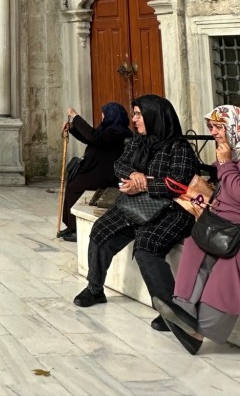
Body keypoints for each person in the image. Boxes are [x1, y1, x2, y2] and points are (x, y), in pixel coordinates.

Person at [73, 94, 202, 326]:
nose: (134, 119)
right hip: (138, 204)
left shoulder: (179, 147)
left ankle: (170, 310)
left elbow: (179, 183)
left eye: (139, 115)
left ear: (155, 116)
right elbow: (119, 164)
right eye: (134, 114)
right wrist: (133, 174)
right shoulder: (138, 142)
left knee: (146, 246)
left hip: (172, 209)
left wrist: (144, 184)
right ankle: (94, 289)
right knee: (101, 230)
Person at [154, 104, 240, 355]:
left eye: (218, 127)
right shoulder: (232, 154)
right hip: (221, 223)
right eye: (211, 127)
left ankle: (200, 331)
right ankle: (184, 312)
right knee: (194, 244)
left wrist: (225, 164)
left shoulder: (229, 158)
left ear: (234, 128)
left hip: (236, 231)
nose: (213, 132)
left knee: (229, 266)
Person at [59, 102, 132, 241]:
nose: (102, 117)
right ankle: (71, 225)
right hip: (94, 169)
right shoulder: (107, 129)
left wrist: (75, 117)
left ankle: (77, 229)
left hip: (105, 174)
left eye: (104, 114)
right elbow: (90, 138)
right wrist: (73, 129)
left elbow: (94, 137)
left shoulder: (118, 132)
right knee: (72, 184)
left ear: (112, 115)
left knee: (75, 188)